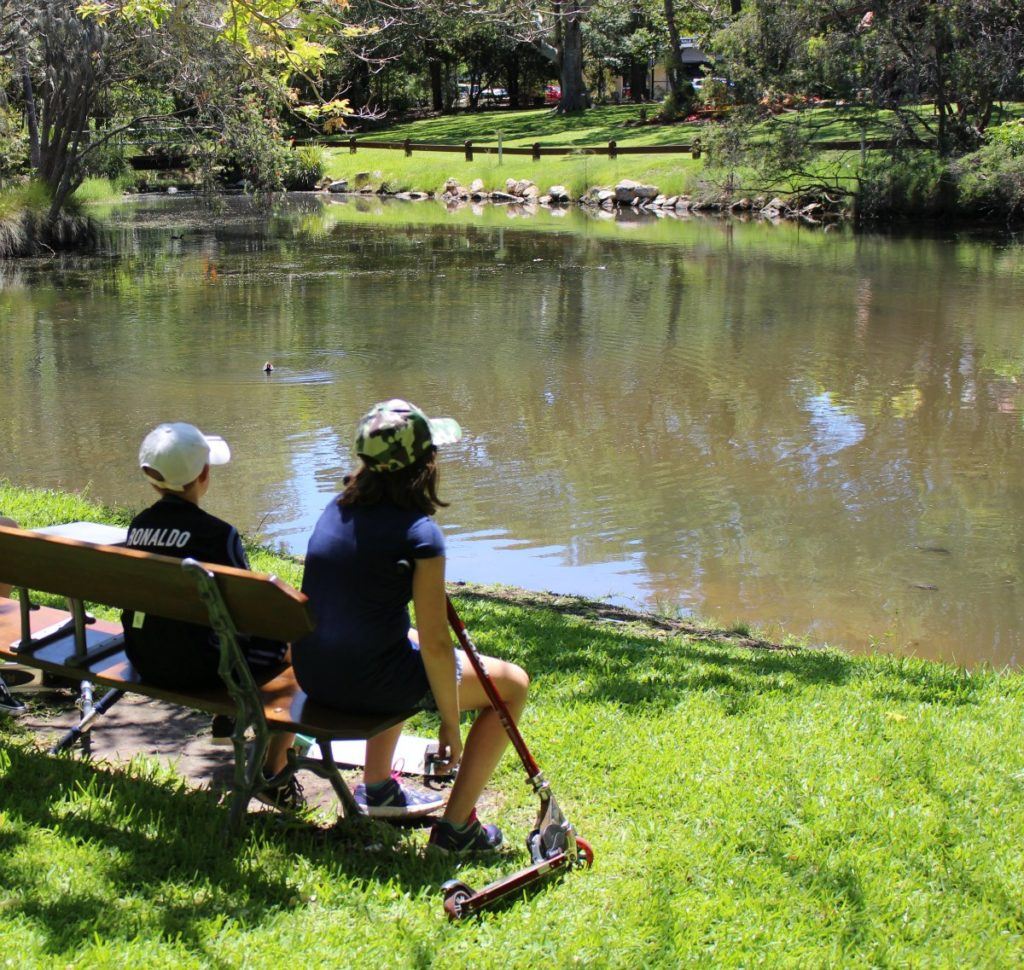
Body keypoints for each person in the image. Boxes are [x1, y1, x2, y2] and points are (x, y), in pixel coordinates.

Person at [294, 399, 530, 852]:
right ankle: (457, 829)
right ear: (426, 463)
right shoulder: (420, 534)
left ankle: (379, 787)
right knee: (513, 685)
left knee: (406, 639)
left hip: (316, 675)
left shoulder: (334, 510)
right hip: (368, 683)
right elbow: (440, 647)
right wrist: (450, 723)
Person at [122, 422, 302, 810]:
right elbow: (251, 612)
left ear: (153, 481)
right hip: (206, 669)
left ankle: (230, 722)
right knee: (295, 646)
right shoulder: (219, 535)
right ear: (204, 475)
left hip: (146, 659)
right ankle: (272, 763)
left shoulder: (138, 527)